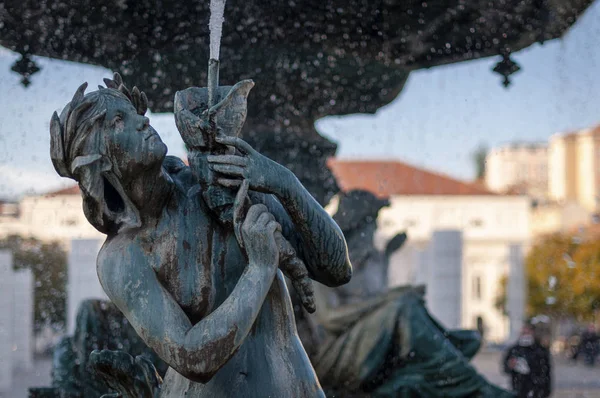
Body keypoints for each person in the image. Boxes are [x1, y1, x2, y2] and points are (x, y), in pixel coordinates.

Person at [50, 74, 352, 397]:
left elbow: (336, 269)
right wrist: (260, 269)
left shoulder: (220, 180)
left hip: (296, 387)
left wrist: (282, 181)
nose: (142, 121)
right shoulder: (121, 259)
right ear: (101, 162)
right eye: (118, 121)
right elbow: (191, 357)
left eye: (133, 112)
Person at [503, 323, 552, 398]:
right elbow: (505, 368)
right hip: (518, 389)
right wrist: (510, 365)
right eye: (523, 332)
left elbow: (546, 371)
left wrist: (546, 390)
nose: (525, 335)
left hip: (536, 389)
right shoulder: (514, 350)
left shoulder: (540, 350)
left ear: (533, 332)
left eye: (528, 332)